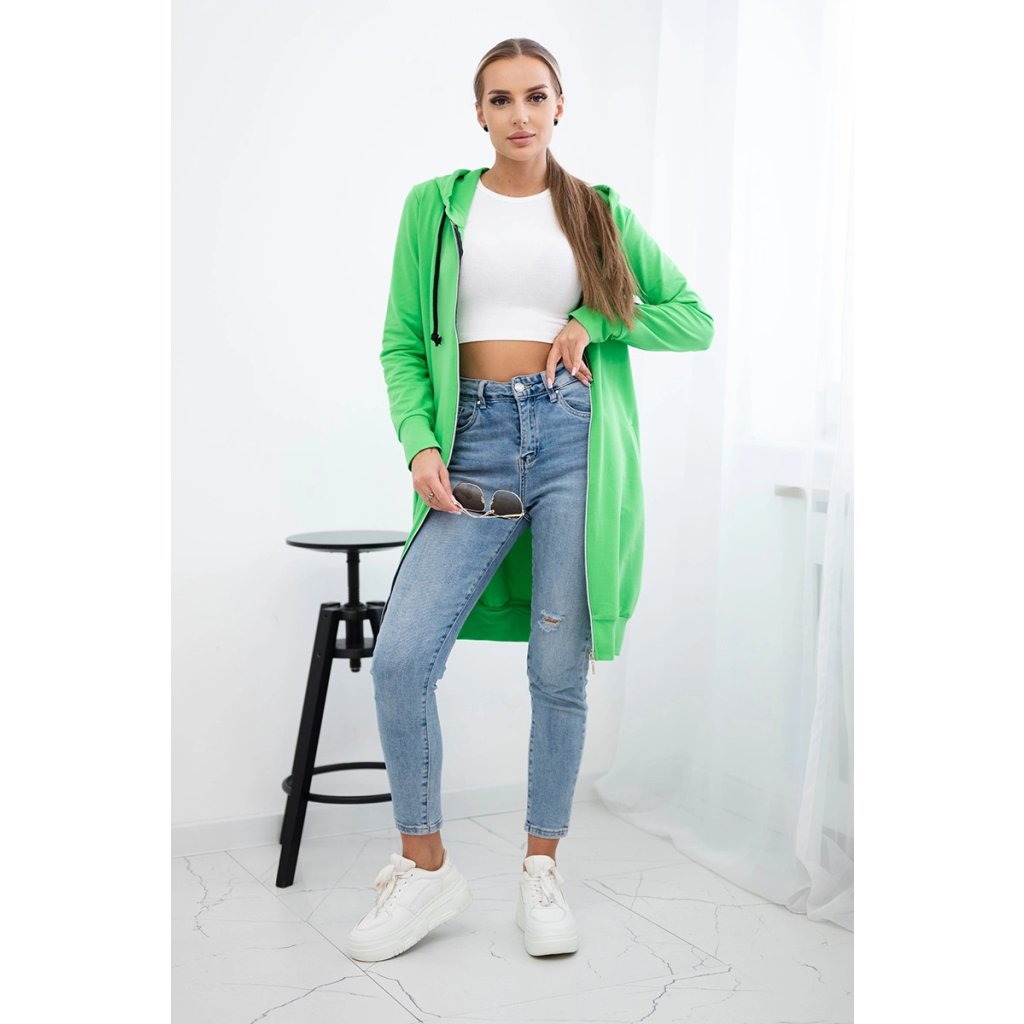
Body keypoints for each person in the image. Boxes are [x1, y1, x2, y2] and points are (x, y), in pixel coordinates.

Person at [345, 38, 714, 963]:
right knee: (402, 660)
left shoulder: (596, 210)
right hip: (468, 443)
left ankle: (540, 870)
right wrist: (420, 441)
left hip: (571, 441)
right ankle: (425, 867)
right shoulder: (435, 207)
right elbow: (401, 341)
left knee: (558, 669)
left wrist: (594, 317)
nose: (520, 114)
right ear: (479, 113)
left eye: (536, 96)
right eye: (501, 99)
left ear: (560, 105)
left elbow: (692, 317)